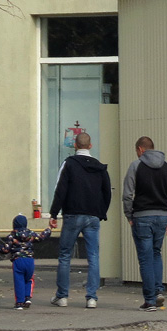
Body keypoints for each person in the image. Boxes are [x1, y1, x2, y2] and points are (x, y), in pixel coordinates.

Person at [48, 132, 112, 308]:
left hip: (72, 214)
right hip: (93, 217)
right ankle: (91, 297)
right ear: (90, 146)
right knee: (93, 256)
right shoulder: (100, 167)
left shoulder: (69, 164)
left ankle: (62, 297)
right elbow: (107, 192)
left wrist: (53, 214)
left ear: (75, 145)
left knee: (65, 255)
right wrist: (101, 212)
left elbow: (60, 189)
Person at [123, 136, 167, 312]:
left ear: (140, 149)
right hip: (162, 216)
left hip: (142, 216)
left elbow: (127, 195)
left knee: (145, 258)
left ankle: (149, 300)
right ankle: (158, 292)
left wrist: (129, 215)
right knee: (156, 253)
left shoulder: (136, 166)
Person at [0, 215, 51, 310]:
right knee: (29, 279)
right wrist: (49, 228)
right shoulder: (31, 234)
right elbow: (41, 237)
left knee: (19, 281)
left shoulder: (11, 236)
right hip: (29, 260)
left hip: (18, 260)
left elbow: (5, 250)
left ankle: (19, 303)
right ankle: (27, 298)